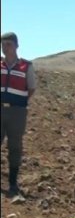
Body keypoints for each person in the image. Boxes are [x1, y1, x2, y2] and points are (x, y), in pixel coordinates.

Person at [1, 32, 37, 198]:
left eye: (8, 44)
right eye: (2, 44)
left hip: (17, 113)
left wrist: (19, 102)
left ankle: (13, 183)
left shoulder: (25, 66)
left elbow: (31, 88)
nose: (4, 47)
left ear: (16, 45)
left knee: (15, 147)